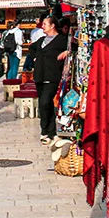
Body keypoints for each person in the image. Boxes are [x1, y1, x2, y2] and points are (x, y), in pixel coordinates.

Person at [26, 14, 70, 144]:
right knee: (45, 104)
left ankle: (45, 130)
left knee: (45, 101)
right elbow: (31, 48)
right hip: (40, 75)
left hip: (52, 75)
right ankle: (50, 132)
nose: (42, 26)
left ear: (52, 26)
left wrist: (66, 53)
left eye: (45, 24)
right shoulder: (41, 40)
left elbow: (73, 48)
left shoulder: (62, 40)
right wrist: (35, 59)